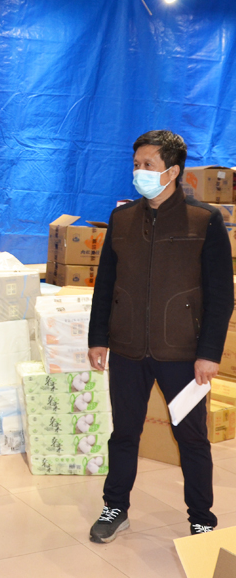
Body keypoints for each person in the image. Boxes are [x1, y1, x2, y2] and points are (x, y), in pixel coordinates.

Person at [87, 129, 233, 543]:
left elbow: (221, 295)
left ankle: (201, 518)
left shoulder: (204, 220)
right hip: (128, 348)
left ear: (173, 170)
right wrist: (98, 337)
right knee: (124, 433)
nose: (140, 172)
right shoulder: (122, 219)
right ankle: (115, 506)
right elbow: (106, 284)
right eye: (136, 164)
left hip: (183, 353)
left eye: (148, 165)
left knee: (192, 438)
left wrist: (210, 353)